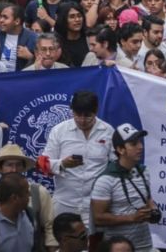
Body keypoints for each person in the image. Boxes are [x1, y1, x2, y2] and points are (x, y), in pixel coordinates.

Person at [42, 90, 115, 224]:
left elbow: (115, 166)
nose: (82, 120)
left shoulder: (108, 131)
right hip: (64, 204)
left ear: (96, 111)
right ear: (72, 110)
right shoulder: (59, 130)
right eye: (77, 115)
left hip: (96, 206)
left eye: (87, 116)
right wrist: (62, 164)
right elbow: (42, 164)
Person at [0, 144, 56, 252]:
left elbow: (50, 225)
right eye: (9, 165)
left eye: (18, 165)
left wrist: (51, 248)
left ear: (23, 168)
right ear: (1, 168)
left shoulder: (38, 192)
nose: (14, 169)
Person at [90, 123, 158, 252]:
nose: (140, 147)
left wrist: (154, 210)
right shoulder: (105, 180)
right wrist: (132, 218)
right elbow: (98, 218)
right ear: (120, 150)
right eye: (133, 144)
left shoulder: (144, 171)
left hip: (145, 246)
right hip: (118, 248)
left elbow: (148, 200)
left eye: (139, 142)